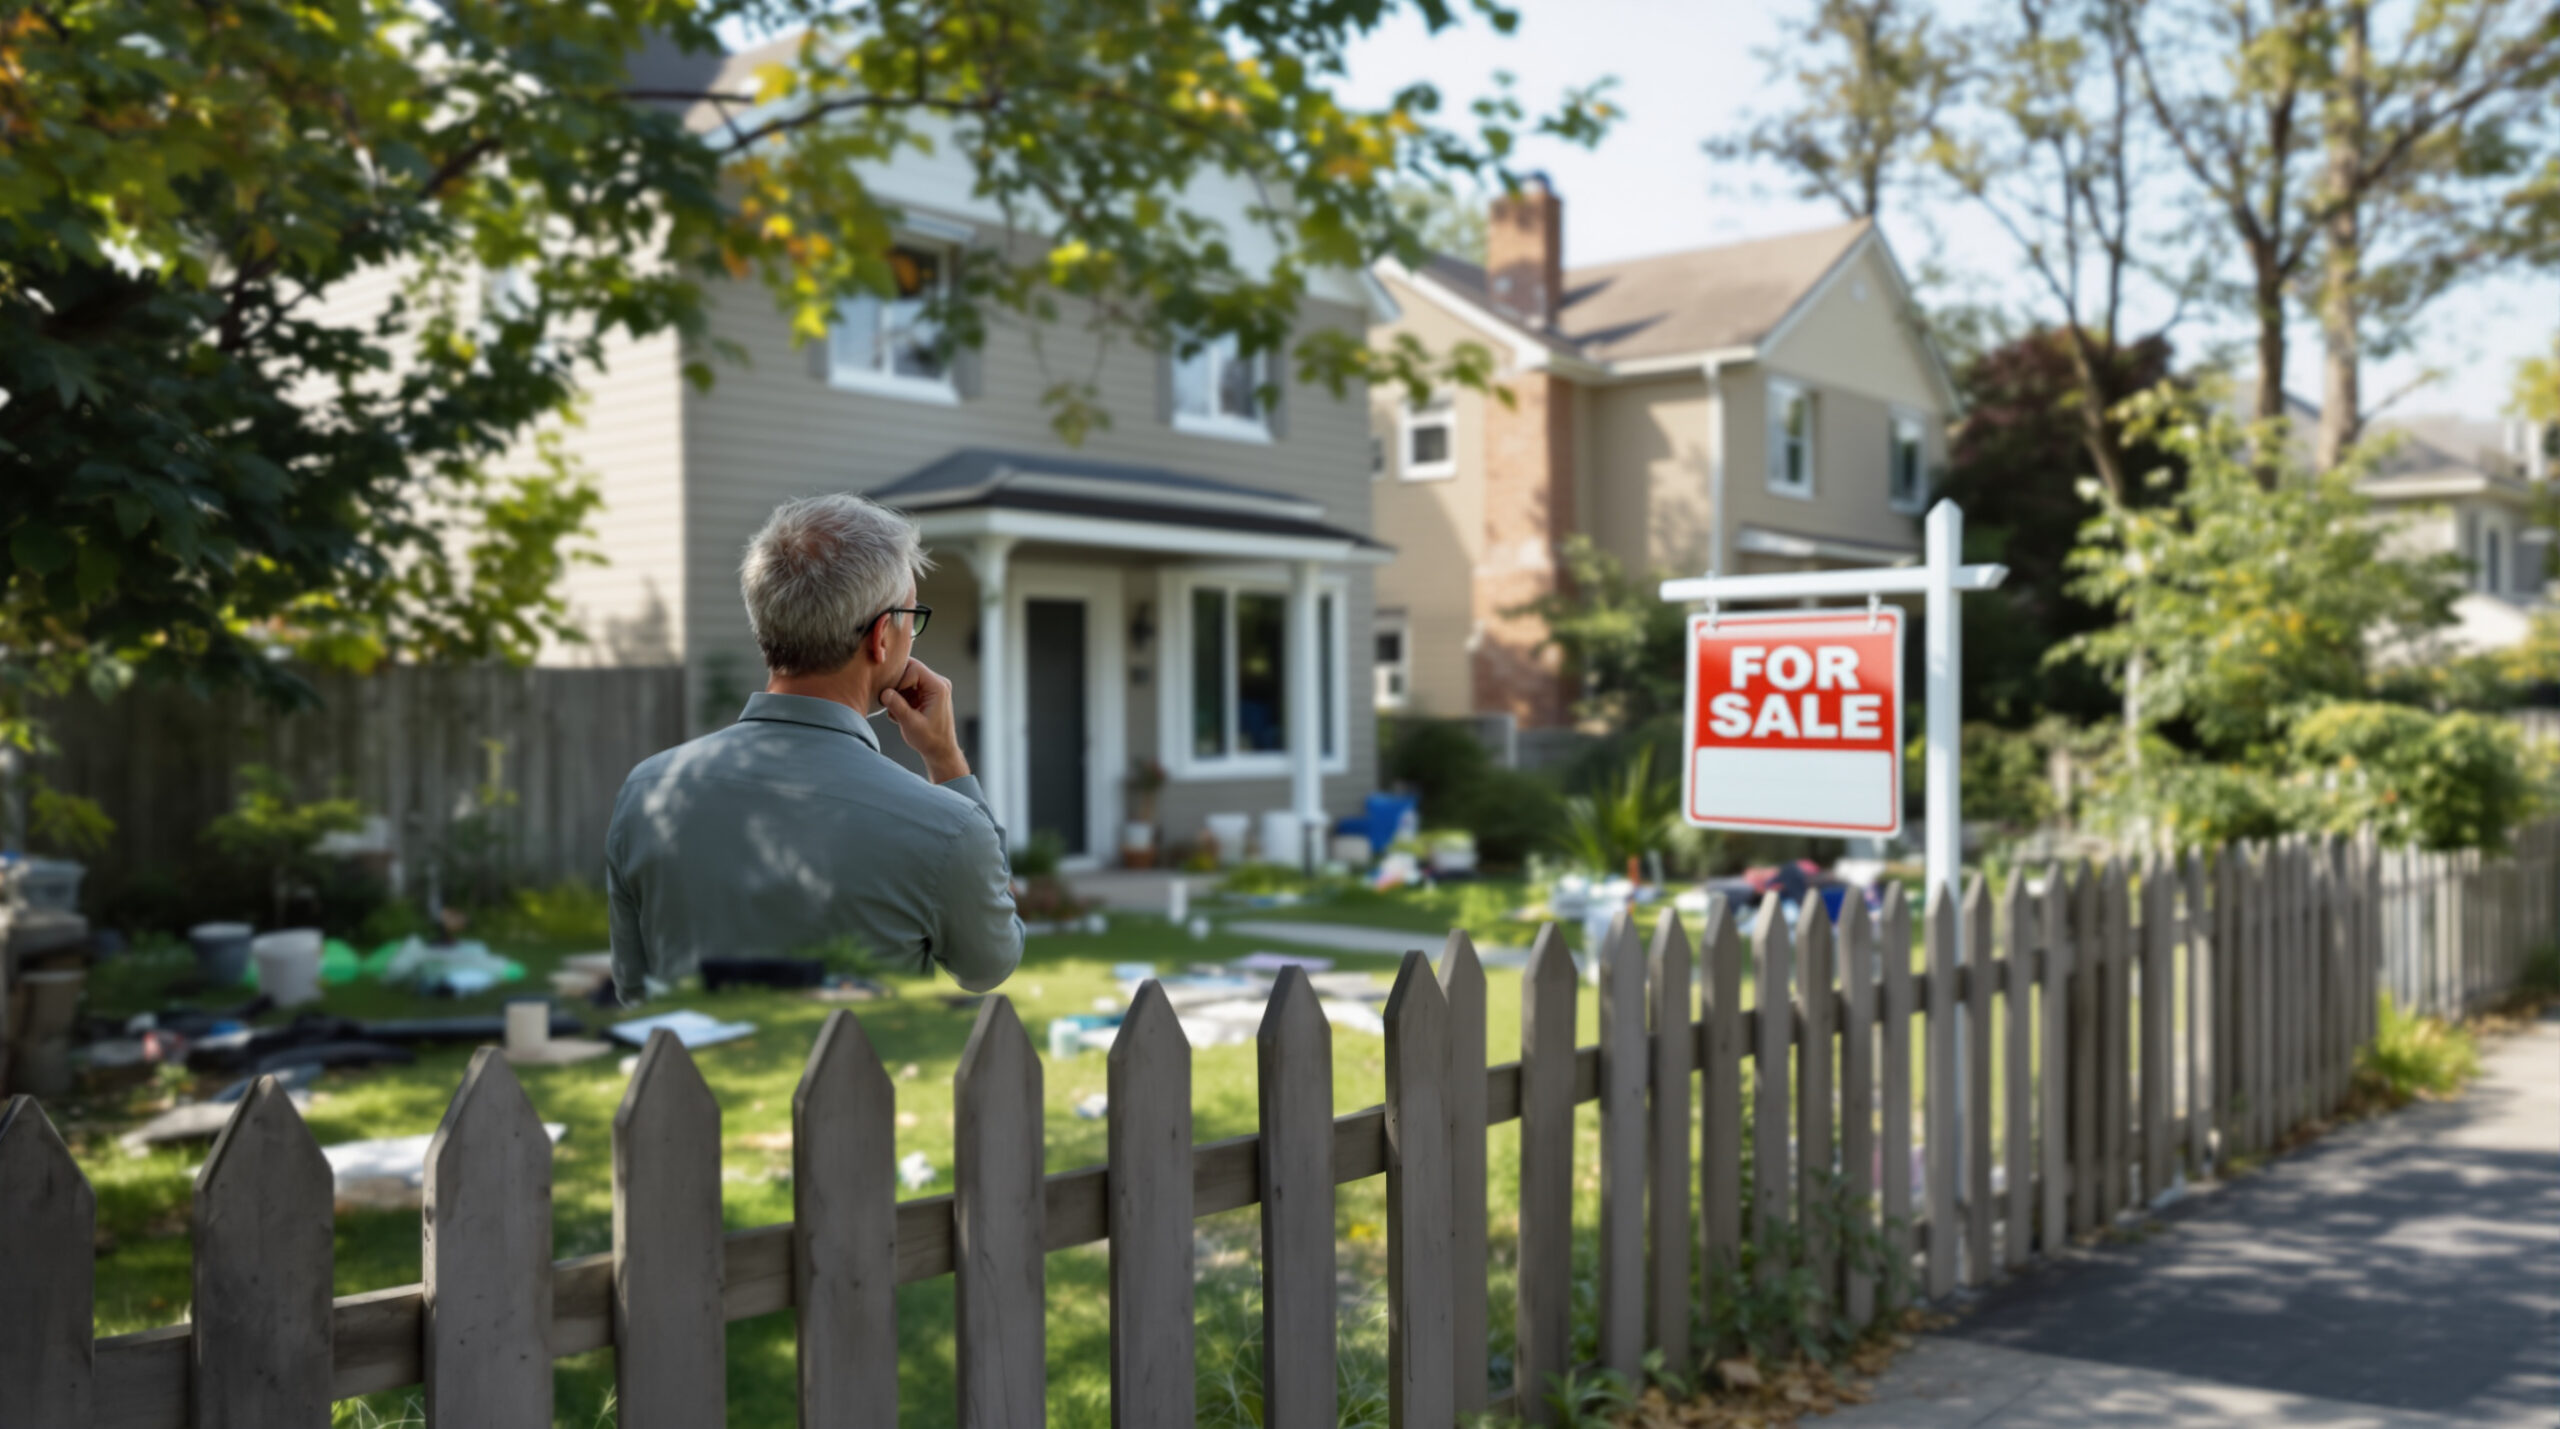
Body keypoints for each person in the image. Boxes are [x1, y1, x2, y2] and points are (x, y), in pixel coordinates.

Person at [604, 493, 1023, 1004]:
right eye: (911, 615)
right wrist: (947, 762)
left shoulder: (647, 791)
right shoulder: (947, 828)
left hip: (678, 1080)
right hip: (860, 1083)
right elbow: (990, 962)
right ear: (880, 640)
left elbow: (632, 990)